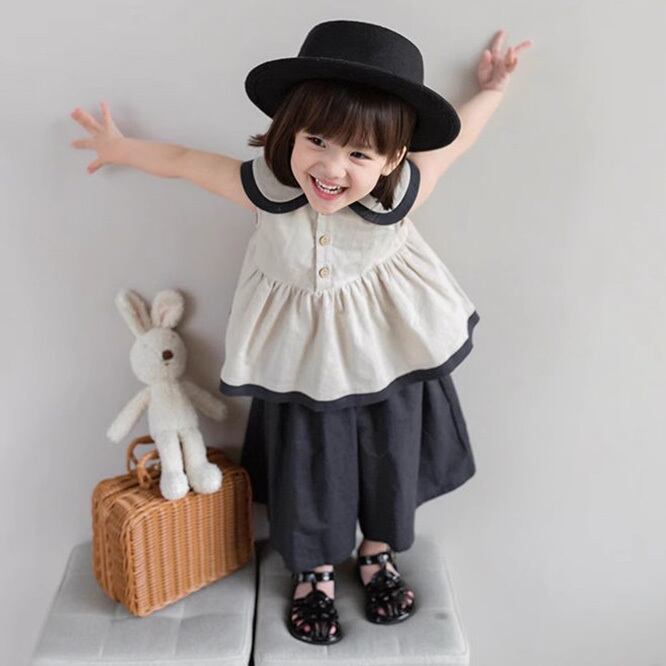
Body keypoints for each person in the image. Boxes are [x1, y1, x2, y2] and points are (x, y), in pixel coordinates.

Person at [70, 19, 532, 646]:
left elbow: (458, 142)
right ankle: (313, 569)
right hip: (301, 363)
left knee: (391, 451)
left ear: (392, 158)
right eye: (317, 140)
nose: (332, 168)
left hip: (389, 355)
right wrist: (121, 149)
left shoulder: (399, 193)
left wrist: (492, 90)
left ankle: (378, 552)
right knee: (309, 461)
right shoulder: (267, 188)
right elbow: (184, 162)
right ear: (289, 131)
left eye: (360, 154)